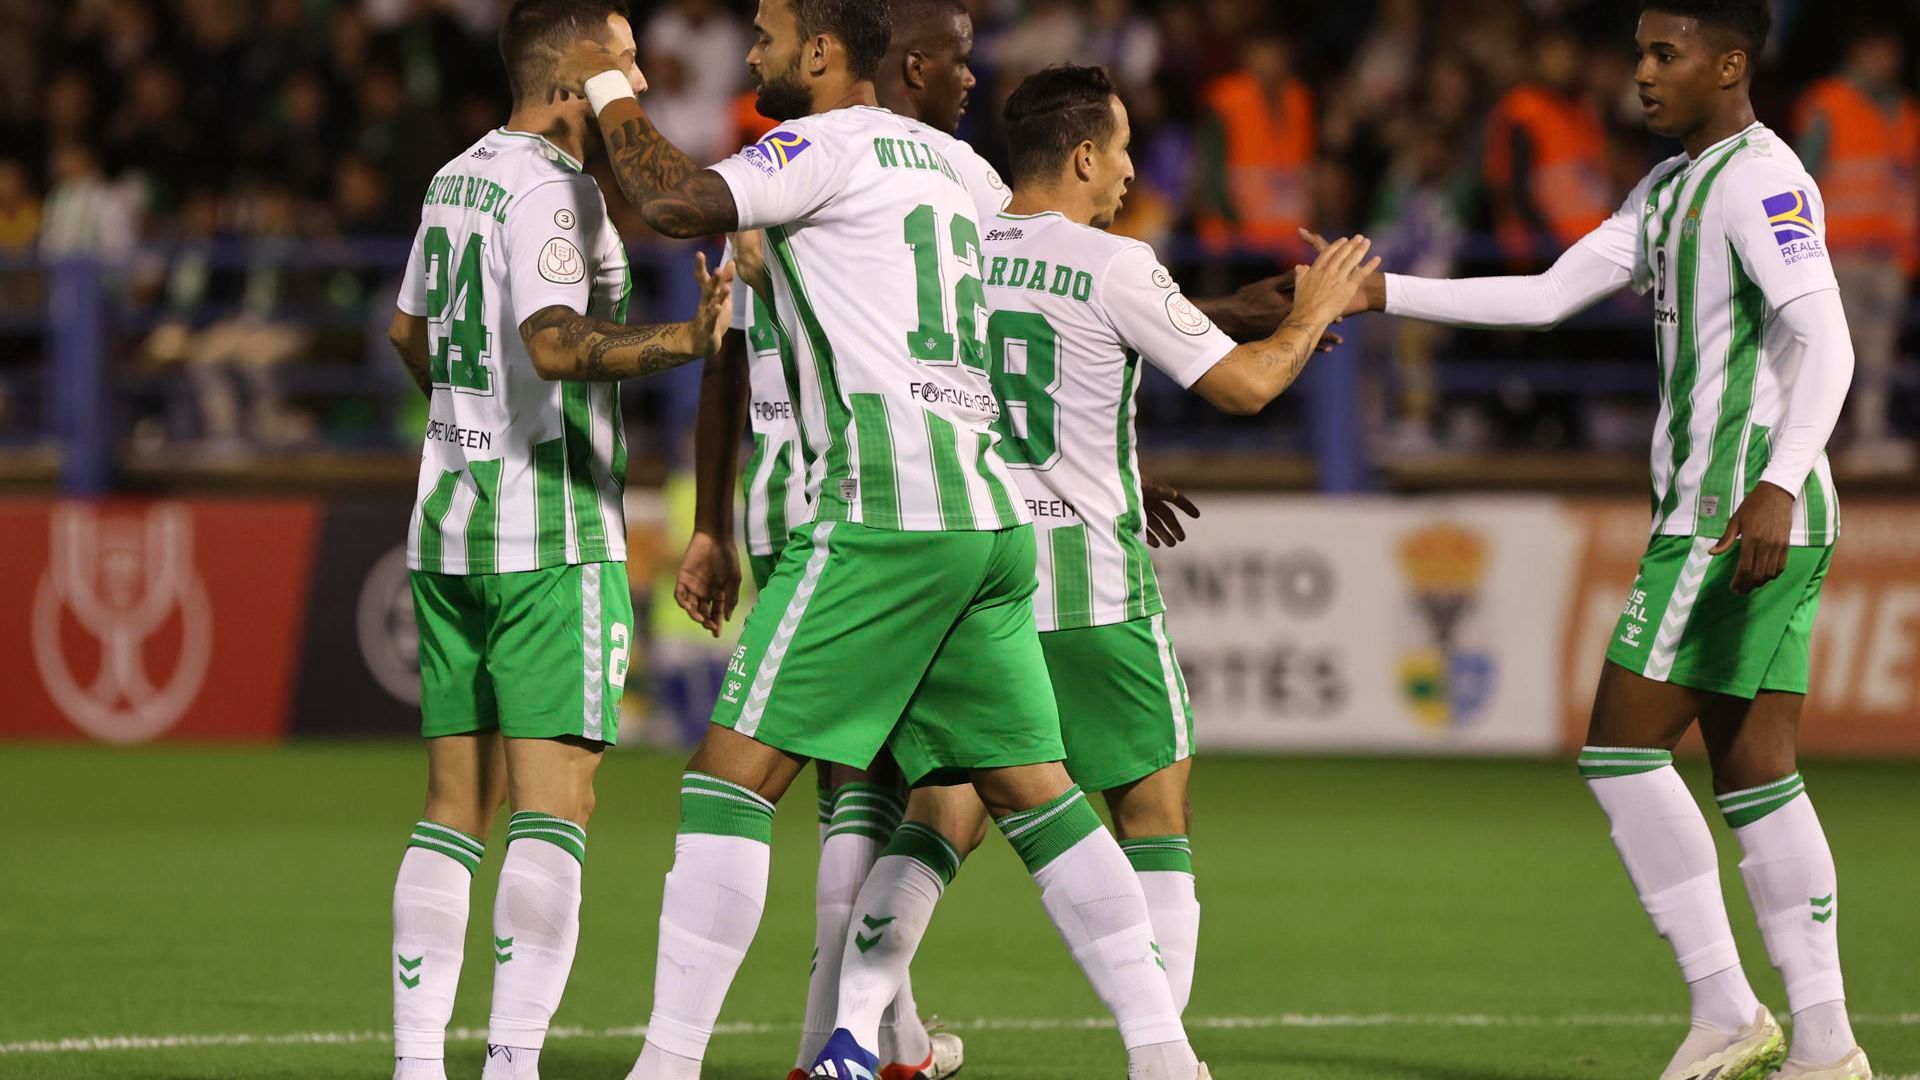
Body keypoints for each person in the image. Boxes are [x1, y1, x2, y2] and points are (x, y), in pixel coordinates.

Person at [552, 1, 1207, 1076]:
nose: (754, 50)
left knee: (728, 782)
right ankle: (1166, 1057)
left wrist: (611, 86)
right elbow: (1054, 303)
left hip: (883, 513)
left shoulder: (819, 147)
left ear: (822, 52)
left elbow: (669, 201)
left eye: (766, 33)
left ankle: (664, 1067)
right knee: (1037, 798)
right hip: (991, 526)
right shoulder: (962, 170)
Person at [1321, 3, 1867, 1078]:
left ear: (1729, 62)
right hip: (1754, 510)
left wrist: (1774, 483)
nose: (1642, 73)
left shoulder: (1760, 179)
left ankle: (1725, 1007)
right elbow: (1543, 295)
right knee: (1757, 772)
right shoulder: (1668, 189)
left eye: (1665, 55)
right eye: (1638, 54)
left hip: (1730, 517)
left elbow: (1832, 340)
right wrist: (1378, 289)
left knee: (1621, 753)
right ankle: (1827, 1042)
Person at [826, 61, 1372, 1057]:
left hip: (967, 574)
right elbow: (1247, 387)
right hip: (1091, 584)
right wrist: (1313, 310)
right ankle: (1161, 1052)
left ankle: (851, 1036)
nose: (1128, 171)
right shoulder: (1114, 261)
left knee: (943, 812)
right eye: (1120, 151)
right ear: (1083, 155)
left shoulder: (948, 252)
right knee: (1152, 807)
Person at [382, 3, 732, 1079]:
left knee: (454, 808)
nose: (642, 74)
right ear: (577, 75)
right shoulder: (553, 190)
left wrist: (467, 433)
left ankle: (415, 1066)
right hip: (548, 537)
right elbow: (552, 342)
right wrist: (688, 337)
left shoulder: (456, 176)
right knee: (557, 802)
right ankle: (512, 1064)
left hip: (448, 529)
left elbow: (407, 333)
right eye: (625, 58)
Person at [1794, 21, 1920, 472]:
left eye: (1892, 52)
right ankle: (1811, 442)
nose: (1885, 61)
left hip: (1888, 256)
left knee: (1879, 352)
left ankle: (1869, 437)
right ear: (1857, 52)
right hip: (1839, 252)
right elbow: (1801, 176)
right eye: (1876, 50)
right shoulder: (1827, 103)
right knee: (1829, 350)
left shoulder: (1907, 112)